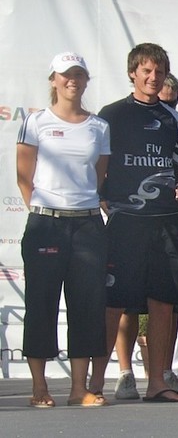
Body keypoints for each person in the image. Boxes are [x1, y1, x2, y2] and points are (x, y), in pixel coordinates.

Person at [98, 43, 178, 402]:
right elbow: (98, 166)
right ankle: (95, 383)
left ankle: (157, 383)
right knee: (114, 303)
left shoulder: (174, 119)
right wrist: (103, 197)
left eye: (159, 72)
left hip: (168, 223)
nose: (154, 78)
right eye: (147, 71)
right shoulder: (112, 115)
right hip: (127, 223)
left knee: (163, 303)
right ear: (133, 73)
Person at [17, 52, 110, 408]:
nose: (72, 80)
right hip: (46, 224)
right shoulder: (35, 121)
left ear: (86, 80)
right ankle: (39, 386)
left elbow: (97, 177)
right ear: (54, 80)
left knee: (87, 305)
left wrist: (76, 207)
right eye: (65, 74)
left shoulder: (99, 127)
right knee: (42, 303)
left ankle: (78, 389)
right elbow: (24, 177)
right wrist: (47, 211)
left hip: (88, 224)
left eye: (79, 74)